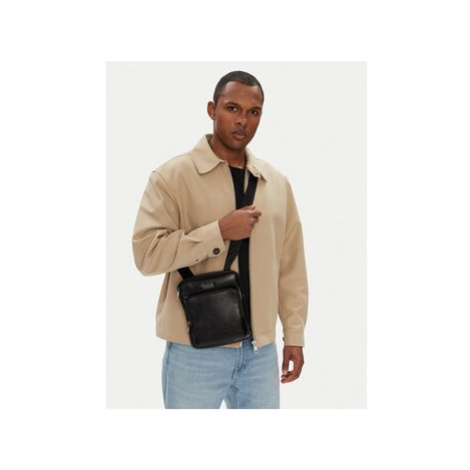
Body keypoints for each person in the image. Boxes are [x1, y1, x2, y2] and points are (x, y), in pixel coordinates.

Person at [132, 70, 308, 409]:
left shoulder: (276, 183)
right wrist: (218, 232)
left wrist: (294, 335)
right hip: (195, 350)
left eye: (253, 112)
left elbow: (291, 268)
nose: (243, 120)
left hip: (260, 353)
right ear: (212, 110)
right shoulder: (171, 177)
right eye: (232, 108)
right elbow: (146, 255)